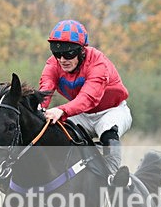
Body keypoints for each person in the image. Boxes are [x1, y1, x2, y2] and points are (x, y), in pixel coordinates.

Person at [38, 19, 132, 187]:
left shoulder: (98, 63)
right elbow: (45, 90)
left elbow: (89, 98)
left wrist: (62, 110)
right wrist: (38, 109)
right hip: (81, 114)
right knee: (53, 130)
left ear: (82, 51)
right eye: (57, 53)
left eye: (68, 54)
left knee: (108, 131)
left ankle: (112, 176)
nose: (62, 59)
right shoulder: (53, 64)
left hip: (111, 111)